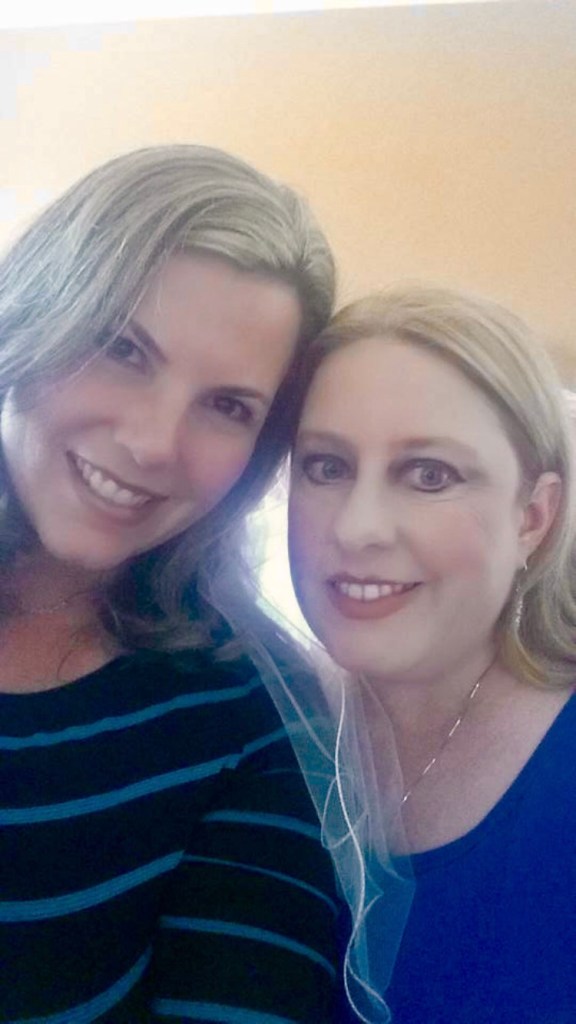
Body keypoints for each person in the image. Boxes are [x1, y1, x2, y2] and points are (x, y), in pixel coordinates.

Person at [0, 145, 343, 1022]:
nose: (154, 442)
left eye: (228, 405)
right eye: (122, 347)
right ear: (33, 313)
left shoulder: (249, 703)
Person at [286, 284, 576, 1023]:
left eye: (430, 475)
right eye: (326, 466)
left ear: (532, 518)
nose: (357, 528)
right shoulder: (258, 730)